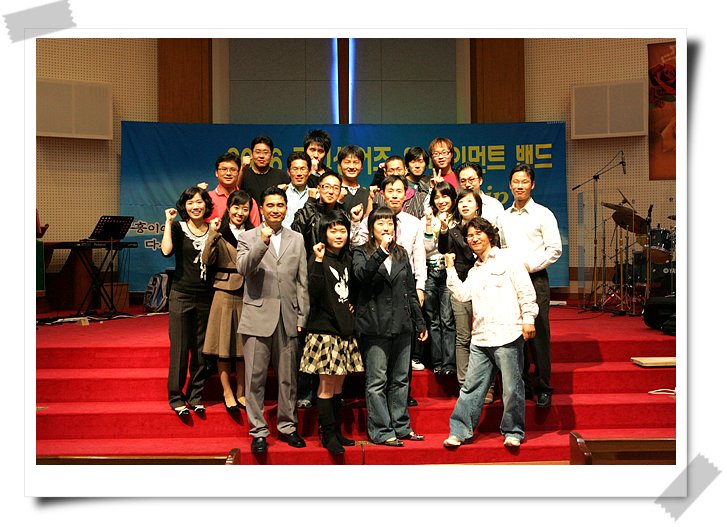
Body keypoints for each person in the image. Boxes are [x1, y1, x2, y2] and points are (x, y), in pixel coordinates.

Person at [442, 216, 538, 449]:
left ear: (489, 235)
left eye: (478, 233)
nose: (474, 239)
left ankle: (513, 431)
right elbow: (462, 295)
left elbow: (525, 290)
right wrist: (450, 269)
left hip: (508, 334)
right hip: (481, 337)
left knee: (512, 388)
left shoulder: (508, 259)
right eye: (469, 236)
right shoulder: (475, 270)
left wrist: (528, 319)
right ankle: (460, 431)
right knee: (471, 387)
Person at [236, 186, 310, 453]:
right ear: (262, 209)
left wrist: (302, 314)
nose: (276, 210)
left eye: (280, 205)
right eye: (270, 205)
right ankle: (258, 431)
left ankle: (288, 427)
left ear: (286, 208)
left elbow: (302, 281)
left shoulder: (297, 239)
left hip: (288, 317)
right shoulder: (247, 237)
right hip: (257, 316)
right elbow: (243, 268)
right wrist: (262, 242)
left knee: (287, 378)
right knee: (255, 378)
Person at [353, 207, 428, 446]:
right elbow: (362, 277)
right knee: (377, 381)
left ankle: (401, 426)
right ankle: (381, 430)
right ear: (371, 228)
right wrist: (381, 252)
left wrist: (419, 321)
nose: (386, 228)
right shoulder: (361, 252)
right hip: (375, 326)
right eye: (381, 223)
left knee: (401, 379)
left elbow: (409, 290)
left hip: (402, 324)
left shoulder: (401, 253)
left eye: (390, 223)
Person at [498, 163, 562, 408]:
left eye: (524, 181)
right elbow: (501, 247)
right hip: (510, 281)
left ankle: (543, 386)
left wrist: (530, 266)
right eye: (516, 181)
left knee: (539, 332)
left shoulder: (543, 214)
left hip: (535, 278)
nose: (520, 186)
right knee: (515, 333)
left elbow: (554, 249)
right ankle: (522, 384)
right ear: (510, 185)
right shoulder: (503, 216)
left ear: (532, 184)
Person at [300, 210, 364, 454]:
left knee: (338, 386)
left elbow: (353, 288)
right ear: (324, 233)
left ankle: (336, 431)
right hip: (324, 330)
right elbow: (314, 293)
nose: (339, 235)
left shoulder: (346, 258)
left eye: (342, 230)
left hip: (345, 329)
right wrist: (317, 260)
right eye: (333, 230)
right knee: (326, 386)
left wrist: (353, 305)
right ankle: (328, 435)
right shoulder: (318, 258)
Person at [161, 186, 214, 417]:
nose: (195, 206)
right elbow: (166, 251)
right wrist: (167, 222)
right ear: (184, 206)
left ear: (206, 205)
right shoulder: (178, 227)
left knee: (201, 350)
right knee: (180, 348)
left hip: (206, 296)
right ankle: (176, 397)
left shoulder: (213, 228)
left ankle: (195, 396)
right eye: (190, 202)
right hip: (181, 295)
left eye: (199, 202)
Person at [201, 189, 254, 414]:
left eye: (245, 209)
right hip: (223, 291)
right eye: (236, 207)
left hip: (248, 293)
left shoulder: (255, 233)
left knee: (242, 348)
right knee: (223, 346)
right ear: (228, 208)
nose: (240, 212)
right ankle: (227, 392)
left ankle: (241, 392)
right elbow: (206, 260)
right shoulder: (218, 231)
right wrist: (212, 235)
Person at [437, 188, 483, 386]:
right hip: (460, 285)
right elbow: (443, 248)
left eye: (469, 201)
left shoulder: (486, 229)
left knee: (484, 336)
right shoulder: (453, 229)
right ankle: (464, 384)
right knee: (463, 336)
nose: (464, 205)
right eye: (461, 201)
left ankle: (486, 384)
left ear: (478, 206)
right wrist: (444, 229)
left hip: (484, 288)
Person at [421, 181, 458, 376]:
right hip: (429, 272)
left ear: (452, 198)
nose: (441, 201)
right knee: (433, 320)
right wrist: (428, 224)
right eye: (437, 197)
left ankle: (449, 363)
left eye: (445, 196)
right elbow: (427, 248)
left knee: (447, 319)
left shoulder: (457, 219)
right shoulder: (427, 218)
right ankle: (437, 362)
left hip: (448, 273)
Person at [203, 152, 261, 226]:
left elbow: (256, 231)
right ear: (216, 173)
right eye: (224, 169)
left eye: (233, 170)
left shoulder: (249, 201)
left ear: (238, 172)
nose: (228, 173)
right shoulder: (206, 199)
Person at [238, 135, 288, 206]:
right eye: (258, 152)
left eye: (265, 152)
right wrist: (242, 168)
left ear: (272, 156)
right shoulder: (244, 174)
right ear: (251, 155)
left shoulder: (281, 175)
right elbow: (234, 191)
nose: (261, 156)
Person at [456, 161, 504, 226]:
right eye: (463, 181)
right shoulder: (456, 206)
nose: (467, 184)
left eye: (471, 179)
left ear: (480, 180)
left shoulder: (494, 205)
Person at [282, 151, 316, 228]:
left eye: (303, 169)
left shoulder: (316, 196)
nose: (299, 173)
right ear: (288, 172)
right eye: (295, 169)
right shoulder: (282, 194)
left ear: (310, 171)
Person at [337, 145, 371, 216]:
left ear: (361, 166)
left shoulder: (367, 194)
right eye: (347, 162)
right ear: (340, 165)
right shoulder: (334, 191)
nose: (351, 167)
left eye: (356, 162)